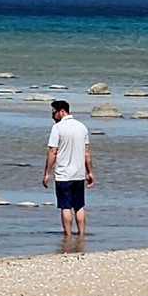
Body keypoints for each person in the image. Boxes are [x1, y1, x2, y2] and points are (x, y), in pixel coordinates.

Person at [42, 100, 94, 238]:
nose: (52, 116)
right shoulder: (82, 127)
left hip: (63, 174)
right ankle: (82, 235)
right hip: (79, 173)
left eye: (54, 113)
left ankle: (68, 236)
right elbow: (86, 153)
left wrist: (47, 173)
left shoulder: (58, 128)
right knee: (79, 206)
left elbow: (53, 151)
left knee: (65, 206)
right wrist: (90, 172)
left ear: (62, 111)